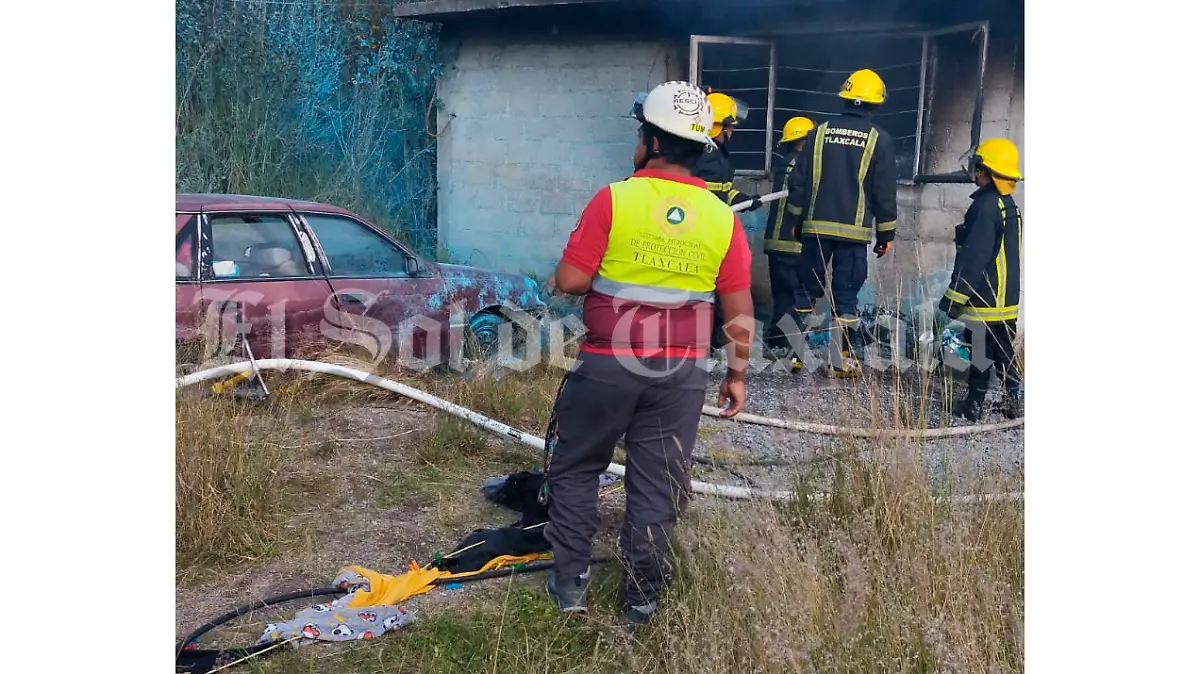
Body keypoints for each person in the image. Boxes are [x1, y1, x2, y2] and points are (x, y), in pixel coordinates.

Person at [543, 80, 755, 629]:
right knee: (659, 481)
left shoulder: (614, 198)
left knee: (576, 466)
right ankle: (641, 599)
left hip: (609, 363)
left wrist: (563, 272)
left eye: (641, 133)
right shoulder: (721, 217)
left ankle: (570, 587)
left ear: (653, 142)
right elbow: (738, 306)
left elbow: (570, 279)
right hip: (681, 371)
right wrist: (736, 374)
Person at [781, 68, 898, 377]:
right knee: (845, 296)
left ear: (845, 98)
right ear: (875, 105)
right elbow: (883, 191)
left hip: (815, 229)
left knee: (806, 291)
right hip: (853, 234)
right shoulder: (879, 140)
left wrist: (794, 218)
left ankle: (795, 356)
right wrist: (887, 233)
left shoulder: (817, 134)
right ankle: (840, 360)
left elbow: (799, 182)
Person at [938, 138, 1024, 421]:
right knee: (1002, 351)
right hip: (1005, 300)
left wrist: (954, 297)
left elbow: (974, 258)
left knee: (979, 352)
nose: (974, 172)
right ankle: (1015, 399)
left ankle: (973, 404)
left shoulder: (985, 208)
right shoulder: (1009, 205)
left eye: (978, 167)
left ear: (988, 171)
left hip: (984, 297)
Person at [691, 90, 761, 353]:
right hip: (701, 232)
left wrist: (745, 199)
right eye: (729, 127)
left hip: (712, 230)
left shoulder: (716, 154)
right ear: (717, 125)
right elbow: (705, 196)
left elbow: (721, 191)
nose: (732, 132)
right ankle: (705, 340)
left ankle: (711, 340)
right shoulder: (705, 153)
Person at [762, 116, 815, 355]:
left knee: (781, 292)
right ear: (804, 141)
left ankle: (775, 338)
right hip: (792, 242)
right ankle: (785, 341)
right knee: (794, 293)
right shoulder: (803, 165)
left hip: (774, 240)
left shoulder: (784, 163)